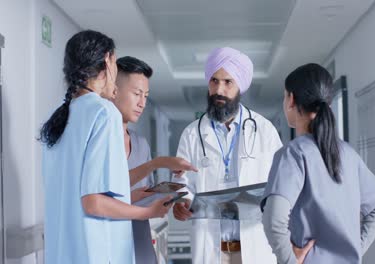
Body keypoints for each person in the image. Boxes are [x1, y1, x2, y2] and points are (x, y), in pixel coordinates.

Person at [40, 30, 173, 264]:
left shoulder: (59, 119)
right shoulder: (103, 112)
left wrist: (132, 194)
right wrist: (148, 212)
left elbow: (77, 193)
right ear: (108, 62)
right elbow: (93, 202)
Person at [261, 63, 375, 264]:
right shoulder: (349, 154)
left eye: (285, 96)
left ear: (291, 100)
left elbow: (274, 220)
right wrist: (356, 248)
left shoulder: (293, 154)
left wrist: (289, 261)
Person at [172, 47, 283, 264]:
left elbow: (280, 181)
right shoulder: (192, 134)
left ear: (239, 86)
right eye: (214, 80)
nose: (219, 89)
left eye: (227, 82)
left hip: (253, 235)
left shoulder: (264, 130)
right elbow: (181, 183)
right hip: (210, 234)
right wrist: (181, 203)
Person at [112, 56, 196, 264]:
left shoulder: (141, 144)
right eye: (136, 94)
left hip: (141, 242)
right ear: (113, 90)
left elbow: (143, 194)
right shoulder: (99, 144)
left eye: (146, 96)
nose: (142, 103)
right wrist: (159, 163)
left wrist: (169, 193)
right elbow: (99, 200)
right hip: (111, 243)